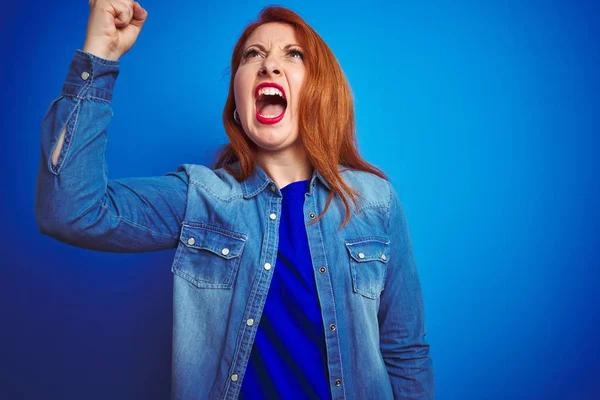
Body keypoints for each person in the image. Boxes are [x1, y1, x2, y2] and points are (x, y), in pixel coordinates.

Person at [35, 1, 435, 399]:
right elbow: (70, 211)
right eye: (253, 55)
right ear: (238, 106)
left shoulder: (374, 201)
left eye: (292, 55)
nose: (269, 65)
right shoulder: (202, 197)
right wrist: (99, 55)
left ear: (320, 90)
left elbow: (405, 351)